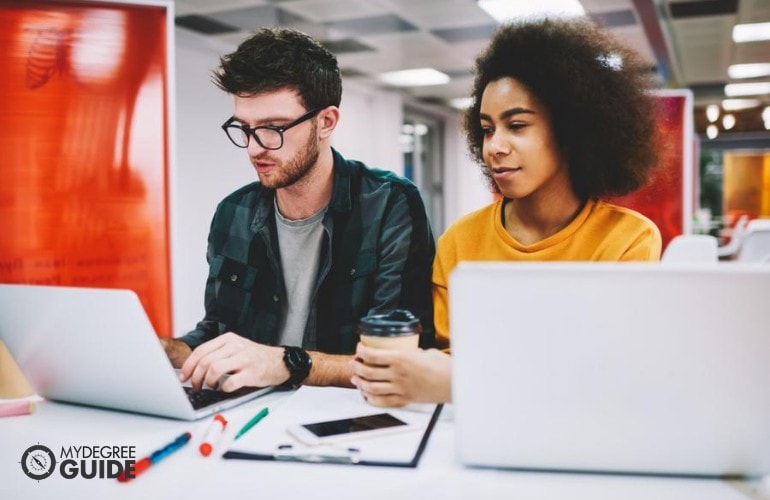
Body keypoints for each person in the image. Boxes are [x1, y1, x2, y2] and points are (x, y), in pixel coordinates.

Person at [350, 17, 664, 407]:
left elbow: (610, 376)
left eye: (516, 125)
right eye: (486, 129)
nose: (494, 146)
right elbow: (443, 366)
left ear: (571, 131)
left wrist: (460, 382)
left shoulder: (627, 240)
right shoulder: (460, 243)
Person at [161, 28, 435, 393]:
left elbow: (399, 359)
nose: (255, 148)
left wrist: (287, 363)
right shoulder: (233, 213)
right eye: (244, 128)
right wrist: (171, 351)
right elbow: (218, 331)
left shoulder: (389, 204)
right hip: (248, 415)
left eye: (272, 128)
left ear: (326, 122)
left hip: (351, 423)